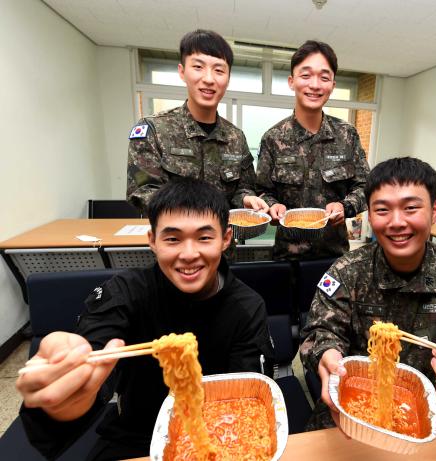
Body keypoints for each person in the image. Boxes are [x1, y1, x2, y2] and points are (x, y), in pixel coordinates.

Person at [16, 178, 275, 460]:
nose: (188, 254)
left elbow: (248, 393)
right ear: (152, 240)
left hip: (222, 434)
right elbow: (95, 356)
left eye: (204, 237)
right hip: (136, 433)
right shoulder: (125, 292)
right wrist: (70, 397)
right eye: (172, 238)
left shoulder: (247, 306)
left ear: (225, 239)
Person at [300, 157, 436, 431]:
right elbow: (318, 333)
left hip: (427, 410)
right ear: (369, 214)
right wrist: (327, 354)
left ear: (434, 211)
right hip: (349, 407)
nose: (397, 222)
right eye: (382, 210)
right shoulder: (346, 271)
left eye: (411, 208)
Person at [126, 29, 268, 215]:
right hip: (174, 240)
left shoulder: (235, 137)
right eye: (198, 67)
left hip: (222, 241)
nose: (208, 79)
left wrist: (247, 199)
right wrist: (194, 215)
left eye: (218, 70)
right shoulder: (153, 129)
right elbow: (142, 193)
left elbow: (243, 188)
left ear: (228, 78)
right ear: (182, 72)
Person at [255, 40, 370, 260]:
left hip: (334, 257)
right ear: (291, 81)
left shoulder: (347, 135)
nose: (315, 85)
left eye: (324, 77)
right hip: (286, 258)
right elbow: (261, 190)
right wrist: (272, 205)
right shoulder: (273, 138)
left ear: (333, 85)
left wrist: (346, 206)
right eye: (305, 75)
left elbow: (365, 187)